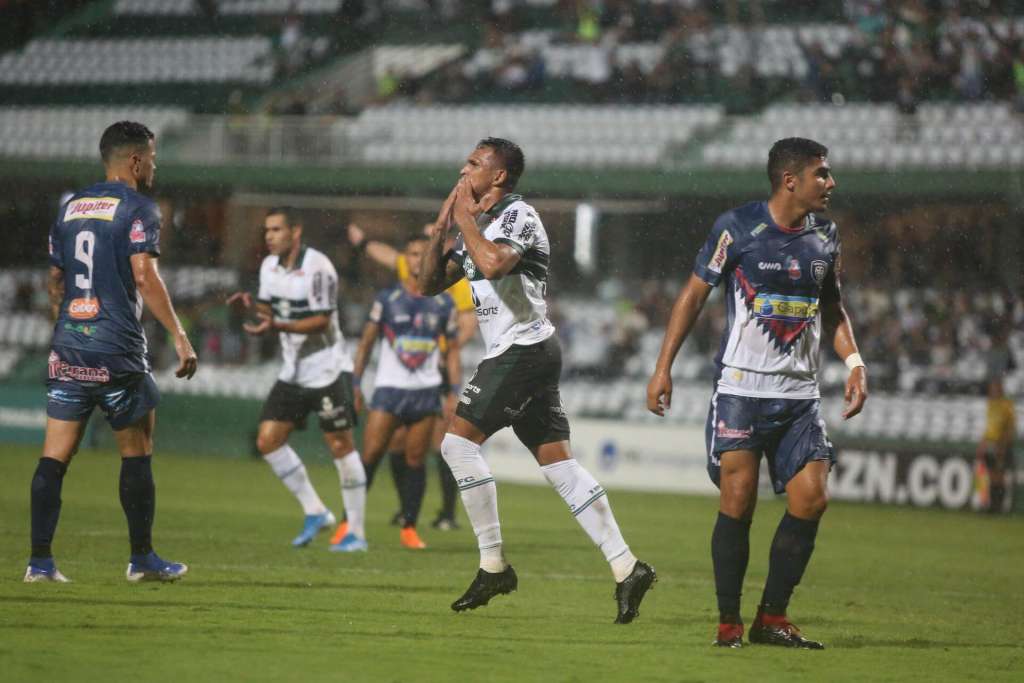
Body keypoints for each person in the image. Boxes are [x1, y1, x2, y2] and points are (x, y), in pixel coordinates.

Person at [420, 137, 656, 623]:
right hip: (526, 352)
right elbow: (424, 285)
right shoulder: (476, 225)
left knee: (456, 445)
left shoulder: (518, 216)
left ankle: (493, 564)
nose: (464, 171)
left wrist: (462, 219)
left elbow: (493, 263)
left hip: (523, 350)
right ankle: (627, 566)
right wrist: (444, 223)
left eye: (474, 164)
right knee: (560, 466)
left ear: (499, 176)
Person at [646, 137, 868, 649]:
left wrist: (854, 361)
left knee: (811, 500)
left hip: (800, 397)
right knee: (739, 500)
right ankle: (728, 622)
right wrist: (663, 368)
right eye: (822, 174)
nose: (831, 183)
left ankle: (772, 617)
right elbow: (693, 295)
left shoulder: (826, 235)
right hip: (742, 390)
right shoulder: (737, 228)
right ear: (791, 180)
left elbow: (833, 309)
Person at [26, 120, 198, 583]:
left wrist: (68, 326)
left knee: (54, 457)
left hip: (69, 347)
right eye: (154, 159)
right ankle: (141, 559)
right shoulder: (140, 207)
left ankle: (39, 562)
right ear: (136, 161)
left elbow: (56, 281)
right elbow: (144, 276)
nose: (155, 167)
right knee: (136, 452)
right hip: (117, 349)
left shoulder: (70, 208)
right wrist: (180, 336)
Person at [228, 208, 367, 550]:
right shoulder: (268, 267)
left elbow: (321, 320)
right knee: (268, 440)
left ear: (295, 232)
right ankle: (316, 511)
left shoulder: (318, 267)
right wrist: (252, 307)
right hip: (293, 371)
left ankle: (356, 533)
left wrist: (276, 325)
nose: (269, 236)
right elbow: (269, 313)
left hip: (327, 369)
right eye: (267, 231)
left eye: (276, 230)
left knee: (340, 445)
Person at [346, 221, 476, 530]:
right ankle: (406, 508)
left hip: (438, 367)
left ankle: (447, 513)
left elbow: (467, 325)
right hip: (407, 370)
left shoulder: (456, 280)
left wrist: (440, 349)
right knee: (396, 445)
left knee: (441, 443)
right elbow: (388, 255)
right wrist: (363, 242)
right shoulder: (409, 271)